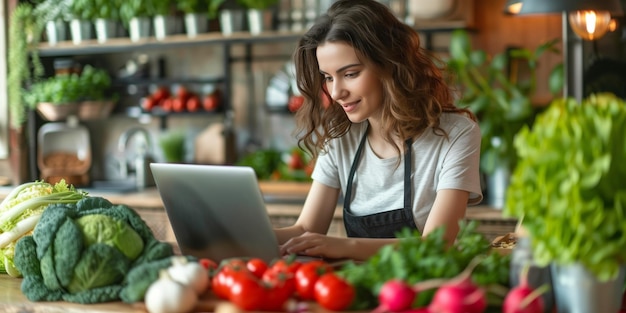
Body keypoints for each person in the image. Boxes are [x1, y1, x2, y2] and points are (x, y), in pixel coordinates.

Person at [274, 0, 483, 261]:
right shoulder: (341, 138)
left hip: (423, 291)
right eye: (328, 77)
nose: (336, 92)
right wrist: (240, 234)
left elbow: (437, 245)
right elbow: (305, 230)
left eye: (350, 74)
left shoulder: (456, 135)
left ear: (389, 65)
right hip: (356, 292)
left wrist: (345, 247)